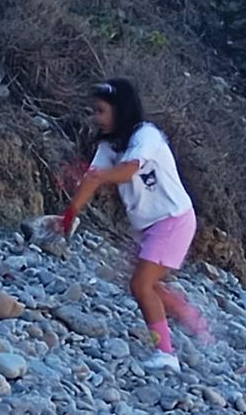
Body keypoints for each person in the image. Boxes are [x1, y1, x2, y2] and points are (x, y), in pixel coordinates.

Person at [62, 79, 210, 374]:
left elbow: (128, 170)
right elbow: (92, 178)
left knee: (140, 284)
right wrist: (69, 215)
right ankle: (193, 320)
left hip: (173, 220)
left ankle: (166, 353)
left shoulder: (147, 135)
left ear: (121, 110)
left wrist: (101, 177)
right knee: (149, 283)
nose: (96, 118)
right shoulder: (108, 145)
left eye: (101, 111)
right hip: (149, 226)